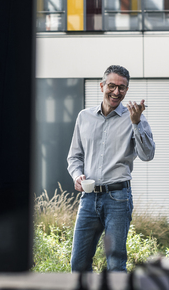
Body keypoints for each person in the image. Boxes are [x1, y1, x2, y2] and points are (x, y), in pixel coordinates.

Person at [67, 65, 155, 272]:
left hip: (118, 198)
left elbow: (147, 155)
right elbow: (74, 156)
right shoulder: (84, 117)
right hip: (88, 199)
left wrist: (136, 124)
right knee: (78, 263)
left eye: (122, 88)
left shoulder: (135, 118)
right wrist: (77, 175)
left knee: (116, 263)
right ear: (102, 86)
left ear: (126, 90)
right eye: (112, 86)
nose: (117, 92)